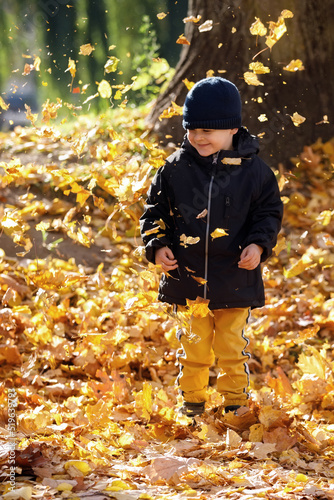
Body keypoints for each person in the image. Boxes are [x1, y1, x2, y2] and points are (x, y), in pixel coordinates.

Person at [140, 77, 283, 417]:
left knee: (231, 345)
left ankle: (234, 402)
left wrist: (258, 245)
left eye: (208, 131)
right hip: (187, 278)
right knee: (194, 345)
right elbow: (154, 212)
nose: (199, 138)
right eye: (193, 130)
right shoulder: (174, 168)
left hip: (235, 275)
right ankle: (192, 402)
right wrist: (157, 245)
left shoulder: (255, 171)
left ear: (232, 129)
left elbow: (268, 213)